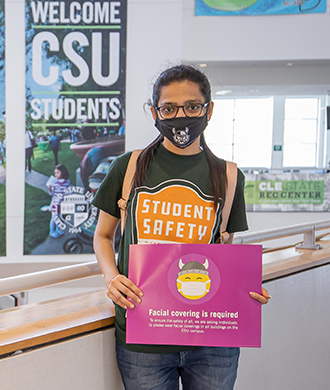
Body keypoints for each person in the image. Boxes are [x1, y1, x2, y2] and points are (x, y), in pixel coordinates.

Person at [90, 65, 270, 390]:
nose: (181, 116)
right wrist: (112, 277)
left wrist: (244, 290)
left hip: (211, 338)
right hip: (143, 334)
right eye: (169, 108)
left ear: (209, 110)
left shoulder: (229, 178)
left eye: (192, 106)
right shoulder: (127, 168)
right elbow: (103, 235)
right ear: (154, 112)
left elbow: (223, 253)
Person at [45, 164, 71, 238]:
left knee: (59, 218)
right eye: (55, 173)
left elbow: (69, 192)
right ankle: (52, 231)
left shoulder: (67, 182)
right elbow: (52, 194)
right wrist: (50, 189)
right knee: (54, 218)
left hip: (62, 204)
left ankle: (58, 229)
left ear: (63, 172)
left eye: (57, 172)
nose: (55, 175)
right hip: (55, 204)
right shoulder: (55, 183)